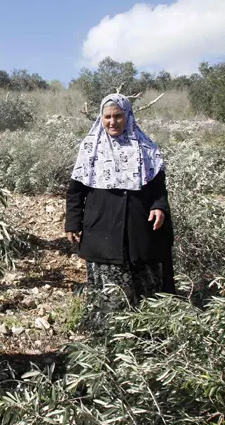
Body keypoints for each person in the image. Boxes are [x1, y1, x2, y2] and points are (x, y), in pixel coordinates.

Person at [65, 93, 174, 324]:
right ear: (101, 119)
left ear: (128, 117)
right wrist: (73, 222)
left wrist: (159, 206)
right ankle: (107, 337)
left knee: (145, 290)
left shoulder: (146, 148)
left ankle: (146, 335)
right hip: (102, 231)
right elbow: (76, 190)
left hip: (140, 233)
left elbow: (158, 189)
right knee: (108, 296)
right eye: (107, 117)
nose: (112, 122)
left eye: (118, 116)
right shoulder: (90, 148)